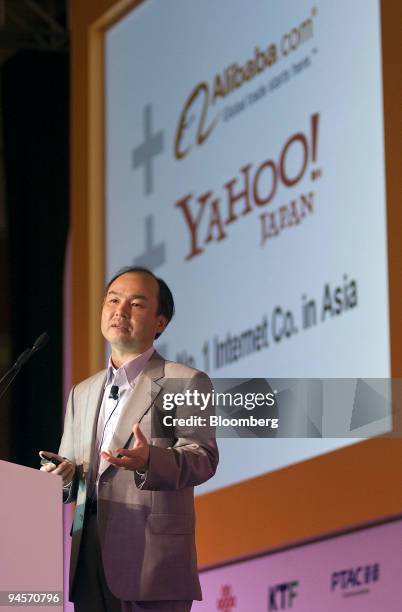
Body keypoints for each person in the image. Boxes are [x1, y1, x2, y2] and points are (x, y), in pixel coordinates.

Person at [40, 266, 219, 612]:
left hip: (151, 561)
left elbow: (203, 457)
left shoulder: (184, 381)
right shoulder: (83, 392)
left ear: (160, 322)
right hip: (88, 558)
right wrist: (62, 475)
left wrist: (151, 459)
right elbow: (73, 476)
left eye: (136, 304)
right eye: (113, 300)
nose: (120, 311)